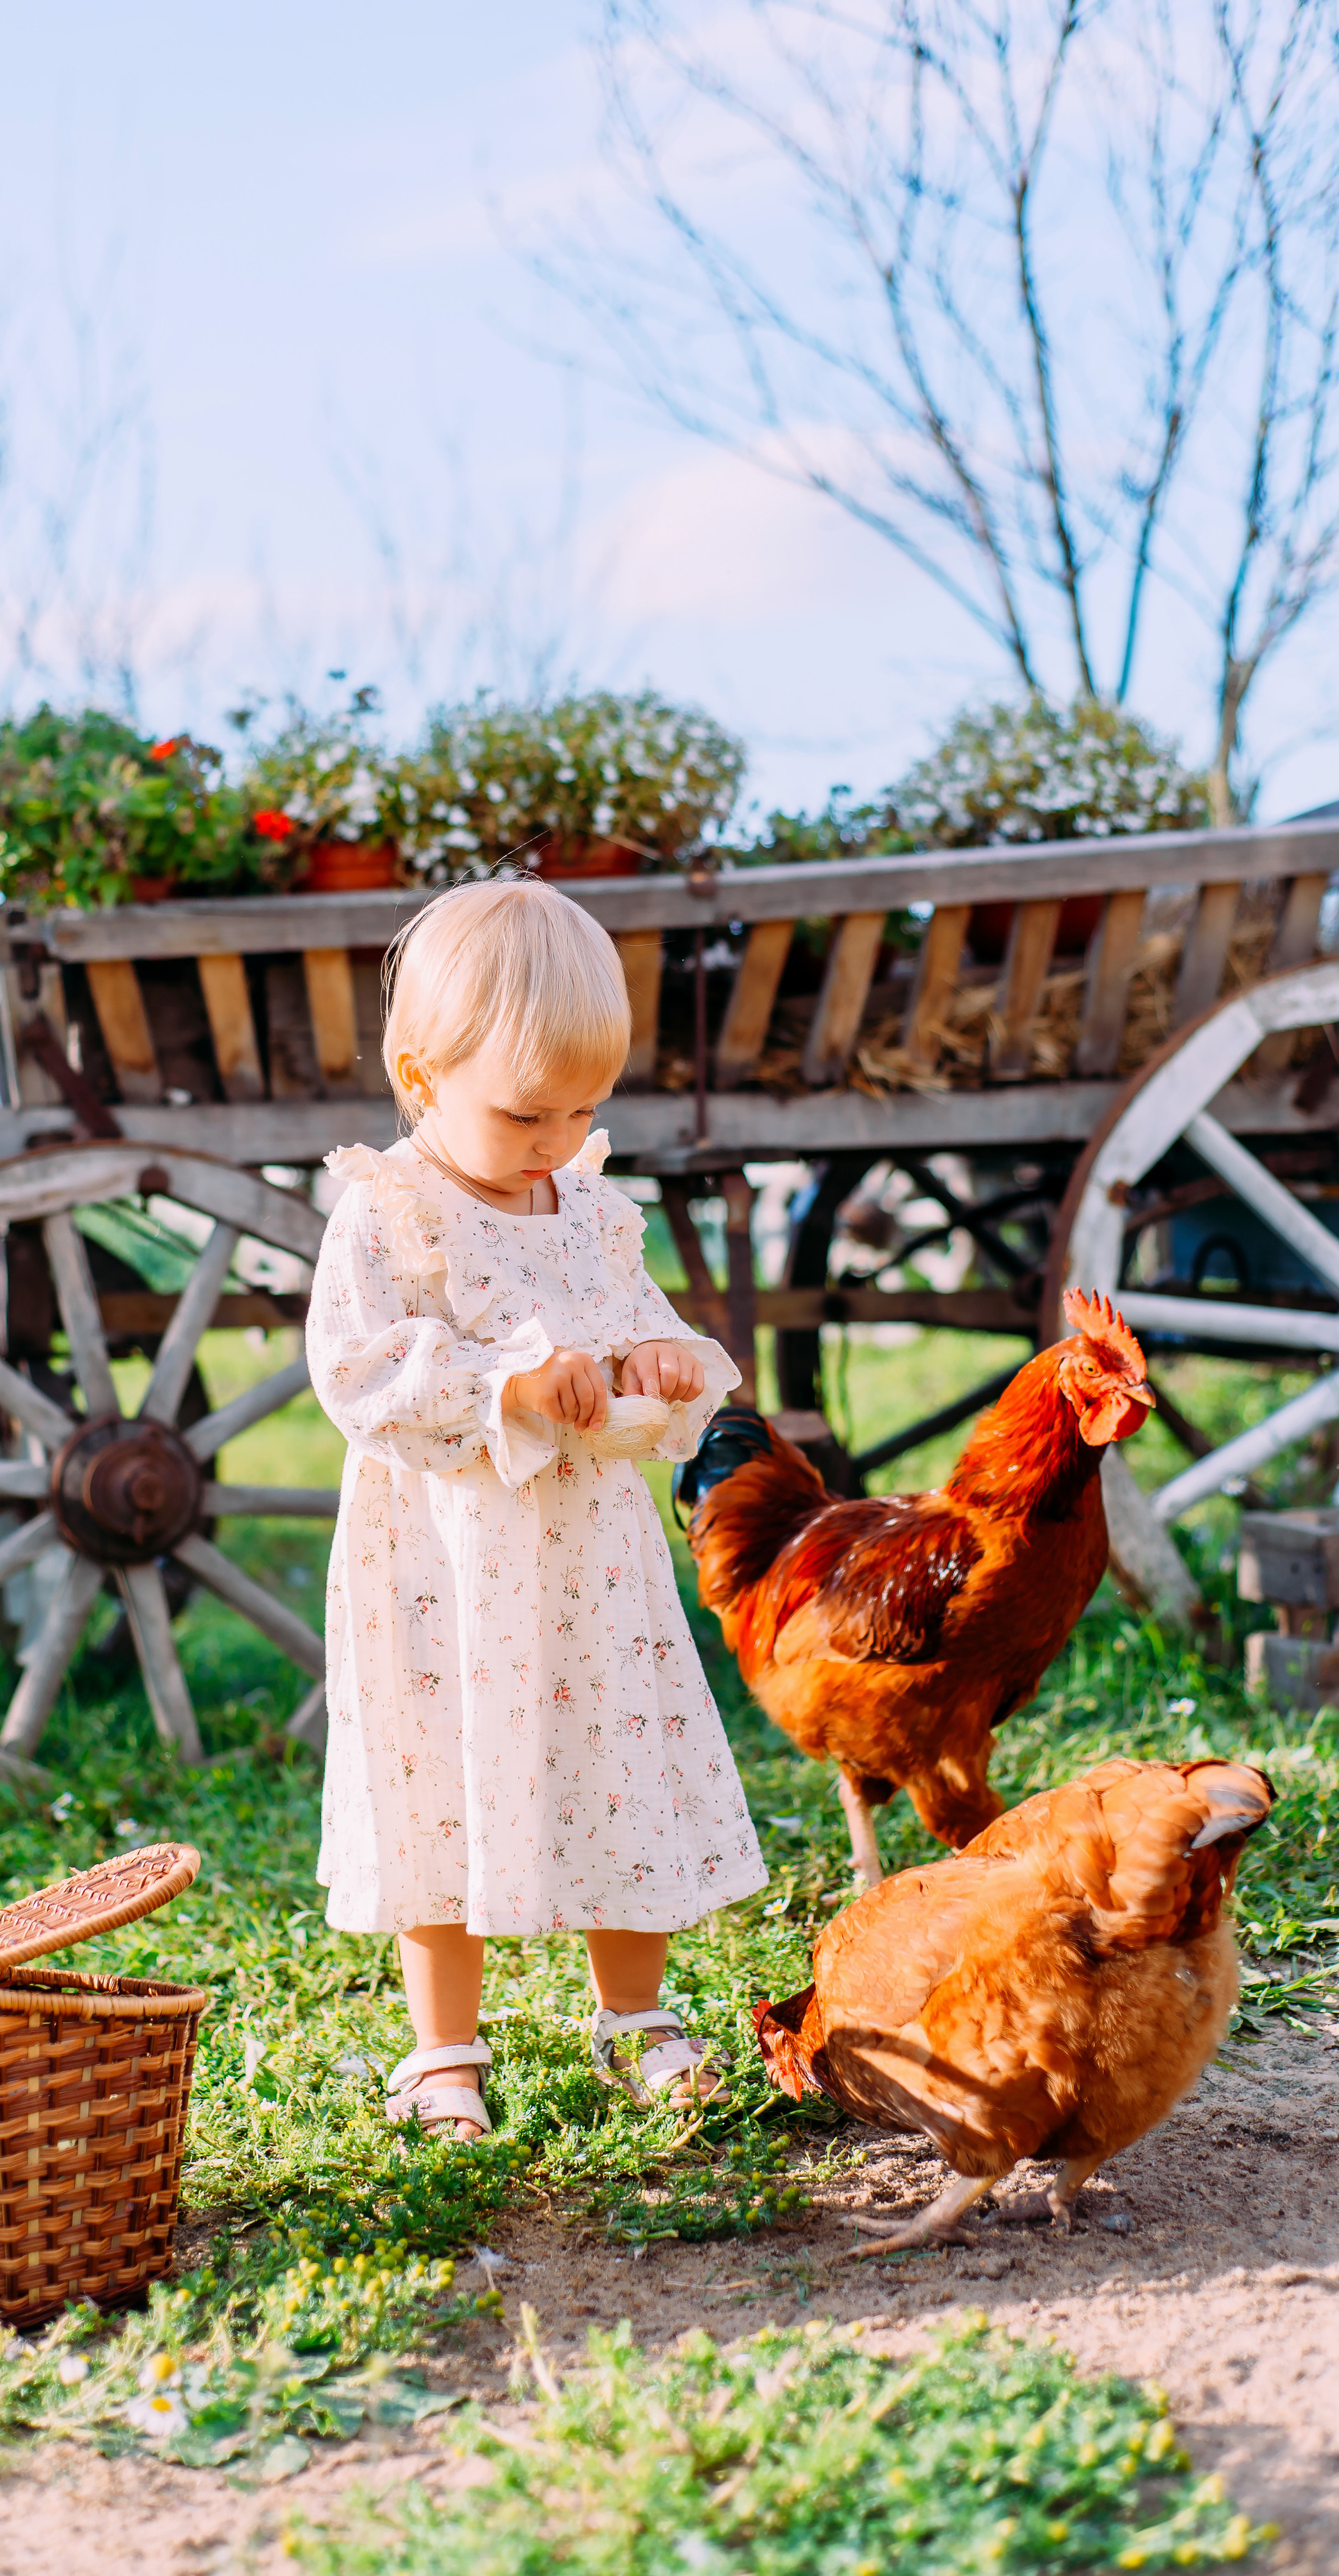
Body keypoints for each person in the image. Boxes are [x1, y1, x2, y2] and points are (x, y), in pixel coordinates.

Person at [304, 876, 768, 2138]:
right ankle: (443, 2046)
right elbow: (359, 1373)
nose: (557, 1138)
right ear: (419, 1074)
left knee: (616, 1759)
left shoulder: (594, 1212)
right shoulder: (389, 1210)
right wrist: (509, 1382)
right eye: (525, 1112)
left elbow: (632, 1335)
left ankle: (637, 2012)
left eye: (583, 1108)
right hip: (444, 1567)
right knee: (440, 1775)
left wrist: (659, 1363)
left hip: (588, 1567)